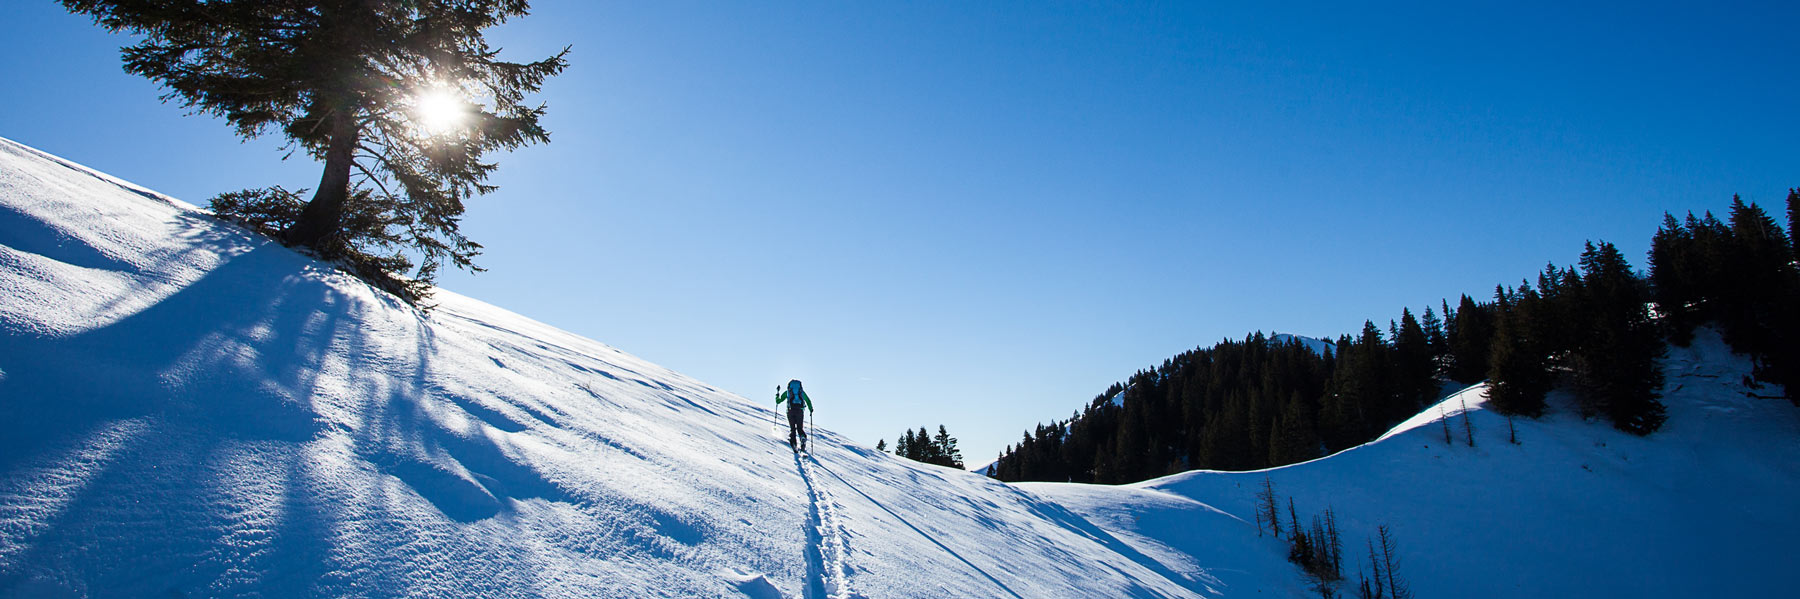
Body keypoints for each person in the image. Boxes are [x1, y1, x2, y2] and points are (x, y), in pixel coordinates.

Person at [775, 379, 814, 451]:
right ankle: (802, 437)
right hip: (800, 411)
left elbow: (778, 401)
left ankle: (793, 443)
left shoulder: (788, 392)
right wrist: (811, 409)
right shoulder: (801, 392)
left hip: (790, 411)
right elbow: (808, 400)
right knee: (800, 428)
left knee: (793, 429)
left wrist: (777, 395)